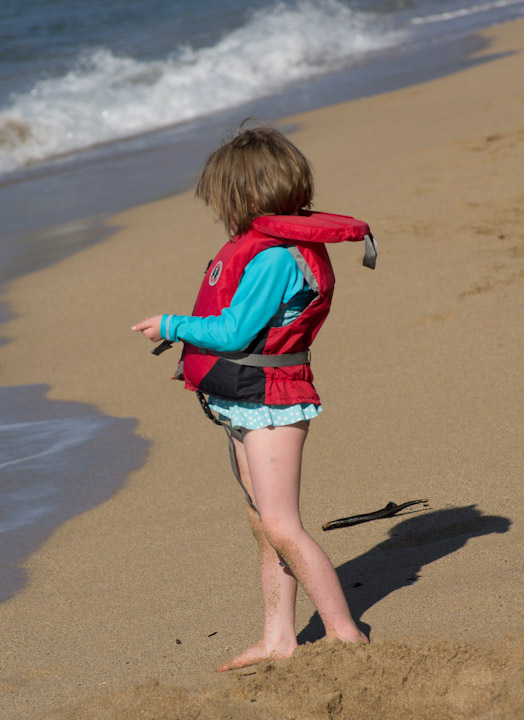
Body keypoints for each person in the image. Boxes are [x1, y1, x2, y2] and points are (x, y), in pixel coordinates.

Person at [132, 122, 374, 672]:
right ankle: (278, 636)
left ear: (242, 196)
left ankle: (343, 633)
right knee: (262, 523)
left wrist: (172, 323)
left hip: (272, 405)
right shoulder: (270, 249)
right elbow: (245, 339)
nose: (221, 211)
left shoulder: (273, 258)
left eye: (222, 199)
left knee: (282, 523)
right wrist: (196, 366)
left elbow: (236, 332)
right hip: (245, 400)